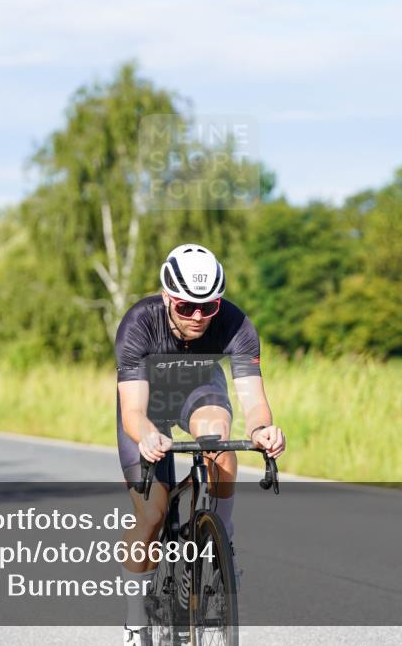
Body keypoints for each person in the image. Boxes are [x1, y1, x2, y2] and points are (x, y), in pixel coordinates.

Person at [115, 244, 286, 644]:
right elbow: (133, 414)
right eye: (186, 307)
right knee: (152, 517)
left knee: (217, 437)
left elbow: (254, 401)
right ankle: (134, 617)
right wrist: (148, 436)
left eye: (208, 307)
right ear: (166, 297)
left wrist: (263, 429)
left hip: (200, 394)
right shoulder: (139, 322)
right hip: (148, 406)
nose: (197, 317)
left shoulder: (235, 323)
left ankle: (220, 534)